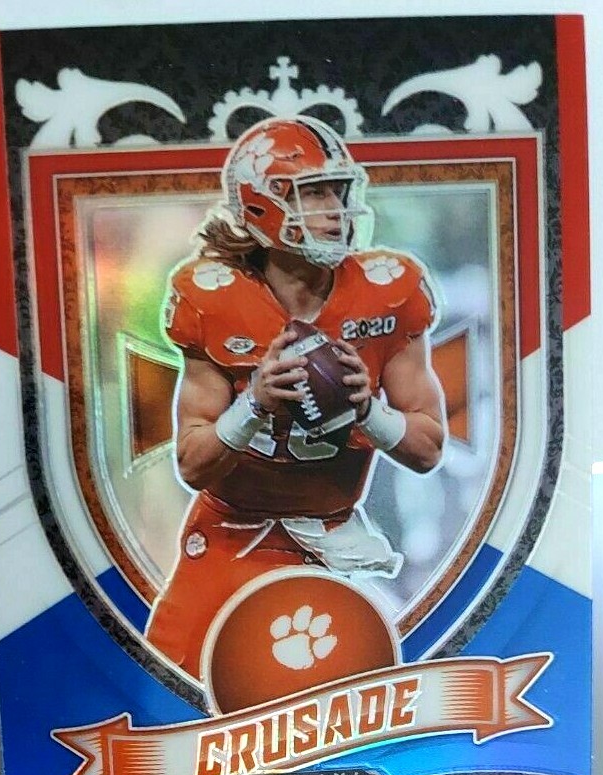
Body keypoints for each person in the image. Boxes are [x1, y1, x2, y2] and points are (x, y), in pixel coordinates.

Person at [144, 115, 445, 680]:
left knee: (335, 705)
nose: (336, 210)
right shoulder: (213, 299)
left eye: (338, 192)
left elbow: (427, 449)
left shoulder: (388, 292)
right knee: (170, 683)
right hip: (233, 531)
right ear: (262, 206)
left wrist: (368, 410)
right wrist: (254, 405)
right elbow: (192, 463)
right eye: (315, 194)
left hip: (332, 534)